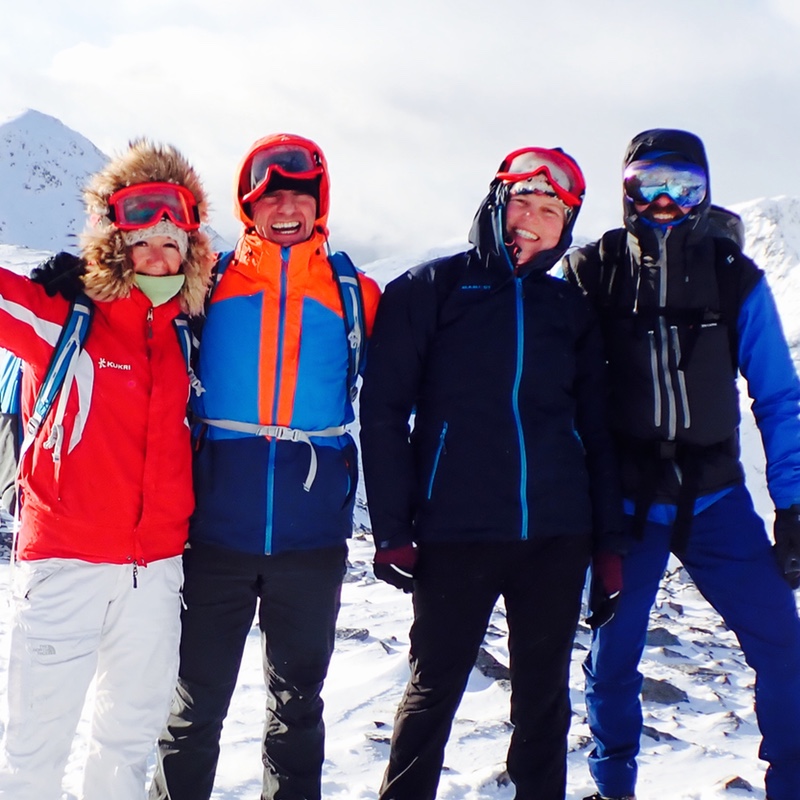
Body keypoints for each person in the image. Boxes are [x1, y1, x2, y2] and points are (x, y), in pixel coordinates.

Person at [359, 147, 622, 800]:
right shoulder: (429, 291)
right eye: (523, 202)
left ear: (568, 225)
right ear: (496, 203)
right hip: (456, 534)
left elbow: (598, 429)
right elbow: (385, 414)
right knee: (433, 692)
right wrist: (392, 527)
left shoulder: (570, 310)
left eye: (551, 210)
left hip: (556, 537)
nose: (533, 220)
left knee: (542, 701)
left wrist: (608, 544)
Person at [562, 128, 800, 800]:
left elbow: (779, 396)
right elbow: (553, 389)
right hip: (627, 502)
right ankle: (615, 787)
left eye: (682, 189)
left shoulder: (734, 278)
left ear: (704, 195)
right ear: (625, 192)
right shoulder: (593, 272)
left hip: (714, 495)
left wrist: (794, 504)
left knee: (783, 645)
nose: (664, 204)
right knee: (612, 663)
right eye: (647, 188)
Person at [149, 133, 381, 800]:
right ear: (248, 208)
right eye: (269, 196)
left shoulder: (355, 294)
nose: (285, 208)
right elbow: (129, 310)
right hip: (214, 535)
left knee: (298, 708)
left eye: (299, 197)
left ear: (320, 204)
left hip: (311, 542)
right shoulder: (206, 283)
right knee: (194, 710)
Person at [0, 139, 215, 799]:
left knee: (125, 743)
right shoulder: (62, 317)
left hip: (154, 574)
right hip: (65, 565)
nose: (158, 254)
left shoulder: (188, 335)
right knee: (35, 747)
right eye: (143, 241)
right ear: (116, 244)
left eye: (172, 243)